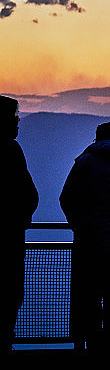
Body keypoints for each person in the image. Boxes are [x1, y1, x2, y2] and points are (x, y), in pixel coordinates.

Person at [60, 121, 110, 353]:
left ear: (96, 137)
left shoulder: (84, 162)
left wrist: (79, 225)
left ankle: (86, 342)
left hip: (87, 242)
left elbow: (66, 198)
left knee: (86, 296)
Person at [0, 96, 38, 354]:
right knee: (9, 291)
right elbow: (28, 193)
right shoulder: (12, 151)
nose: (19, 122)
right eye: (15, 117)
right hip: (10, 236)